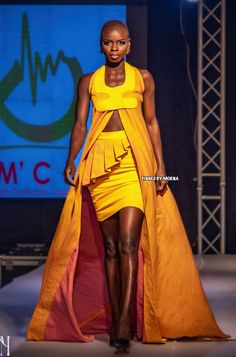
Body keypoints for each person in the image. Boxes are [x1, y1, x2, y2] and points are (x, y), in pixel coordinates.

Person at [26, 19, 231, 352]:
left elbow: (151, 121)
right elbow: (80, 123)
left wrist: (161, 167)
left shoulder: (143, 78)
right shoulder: (89, 81)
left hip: (135, 166)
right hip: (100, 167)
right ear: (101, 45)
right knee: (109, 249)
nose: (115, 48)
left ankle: (124, 321)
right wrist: (70, 159)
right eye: (108, 43)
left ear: (130, 45)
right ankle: (119, 314)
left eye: (121, 43)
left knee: (127, 243)